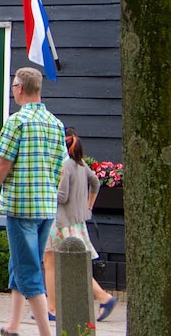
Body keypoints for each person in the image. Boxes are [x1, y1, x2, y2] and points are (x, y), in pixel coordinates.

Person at [0, 67, 67, 336]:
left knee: (28, 269)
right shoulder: (56, 124)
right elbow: (61, 168)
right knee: (21, 262)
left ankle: (45, 332)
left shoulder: (17, 122)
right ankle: (13, 325)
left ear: (19, 88)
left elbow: (1, 166)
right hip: (46, 207)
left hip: (20, 205)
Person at [43, 128, 117, 321]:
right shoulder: (81, 164)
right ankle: (102, 297)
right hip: (77, 221)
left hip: (60, 221)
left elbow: (62, 196)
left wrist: (46, 193)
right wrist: (89, 205)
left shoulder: (64, 166)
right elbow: (96, 183)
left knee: (50, 262)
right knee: (75, 262)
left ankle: (52, 308)